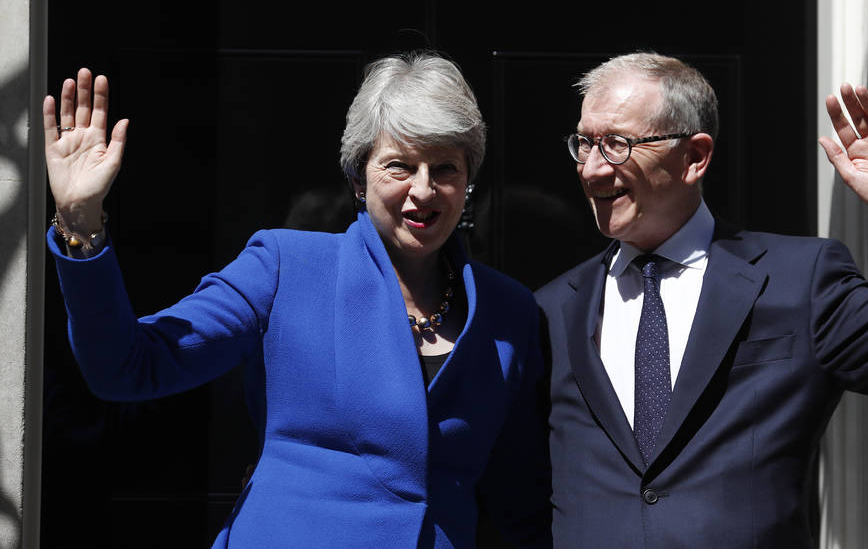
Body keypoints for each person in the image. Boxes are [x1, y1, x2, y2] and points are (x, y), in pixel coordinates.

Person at [43, 54, 550, 549]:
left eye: (445, 169)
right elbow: (127, 366)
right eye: (400, 165)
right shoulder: (285, 267)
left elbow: (519, 502)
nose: (423, 190)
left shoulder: (509, 312)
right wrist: (80, 222)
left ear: (468, 183)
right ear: (358, 177)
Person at [534, 53, 868, 548]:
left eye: (618, 145)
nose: (593, 170)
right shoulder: (551, 309)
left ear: (695, 157)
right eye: (585, 143)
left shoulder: (799, 282)